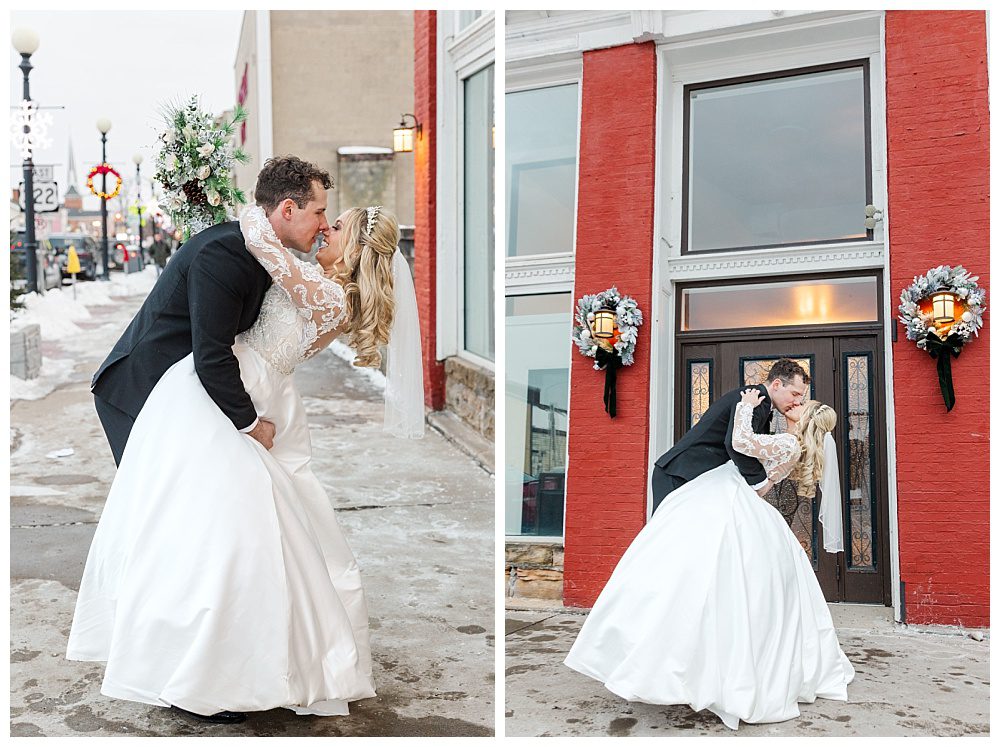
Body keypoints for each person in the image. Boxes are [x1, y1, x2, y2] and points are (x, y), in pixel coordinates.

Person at [67, 156, 424, 724]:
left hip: (244, 392)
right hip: (192, 390)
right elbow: (225, 304)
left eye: (334, 224)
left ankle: (219, 660)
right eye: (321, 215)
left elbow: (265, 323)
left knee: (228, 534)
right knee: (195, 526)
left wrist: (250, 414)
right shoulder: (269, 260)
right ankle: (191, 650)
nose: (324, 227)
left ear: (352, 250)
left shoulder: (317, 288)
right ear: (288, 210)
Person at [564, 391, 854, 730]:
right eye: (797, 397)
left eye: (802, 404)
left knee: (712, 574)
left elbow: (741, 441)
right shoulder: (786, 442)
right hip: (736, 496)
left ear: (806, 421)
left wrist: (745, 405)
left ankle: (703, 666)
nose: (796, 403)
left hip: (736, 498)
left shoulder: (788, 444)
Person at [649, 359, 809, 513]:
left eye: (800, 397)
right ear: (777, 384)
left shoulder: (760, 403)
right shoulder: (756, 399)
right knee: (667, 536)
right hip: (678, 473)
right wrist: (759, 483)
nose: (797, 401)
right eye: (794, 394)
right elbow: (736, 444)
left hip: (692, 476)